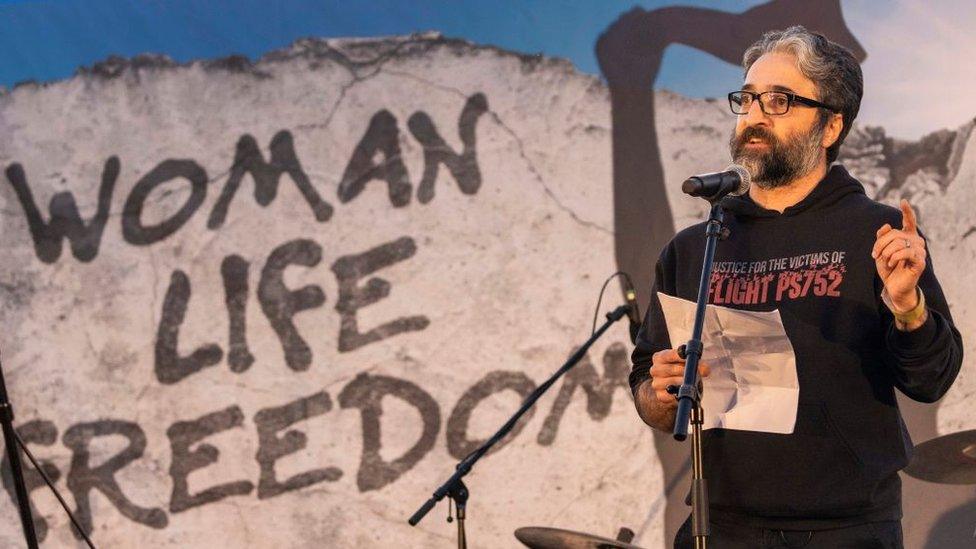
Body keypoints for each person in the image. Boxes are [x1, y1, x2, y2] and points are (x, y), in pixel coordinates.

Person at [629, 26, 963, 548]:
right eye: (747, 98)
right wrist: (663, 390)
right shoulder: (695, 247)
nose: (755, 115)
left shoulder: (877, 234)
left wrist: (908, 308)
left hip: (848, 530)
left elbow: (931, 380)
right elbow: (647, 390)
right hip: (721, 526)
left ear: (830, 126)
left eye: (779, 100)